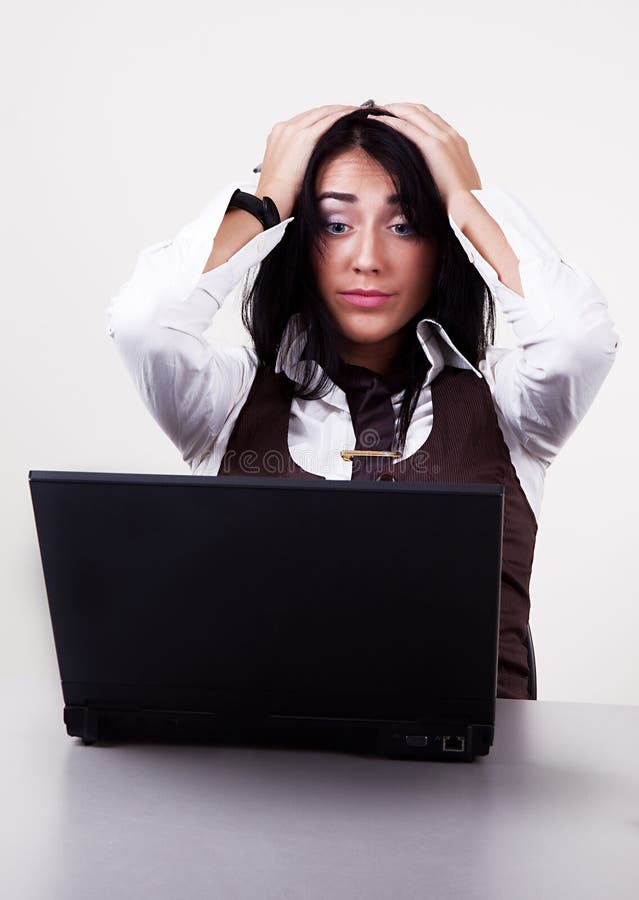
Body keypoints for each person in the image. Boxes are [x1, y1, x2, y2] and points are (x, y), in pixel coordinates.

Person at [106, 101, 619, 700]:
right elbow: (143, 323)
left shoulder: (509, 406)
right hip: (265, 781)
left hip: (474, 783)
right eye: (335, 224)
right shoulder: (228, 400)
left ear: (441, 247)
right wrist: (268, 198)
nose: (368, 258)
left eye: (405, 226)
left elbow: (579, 340)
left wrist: (466, 202)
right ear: (300, 239)